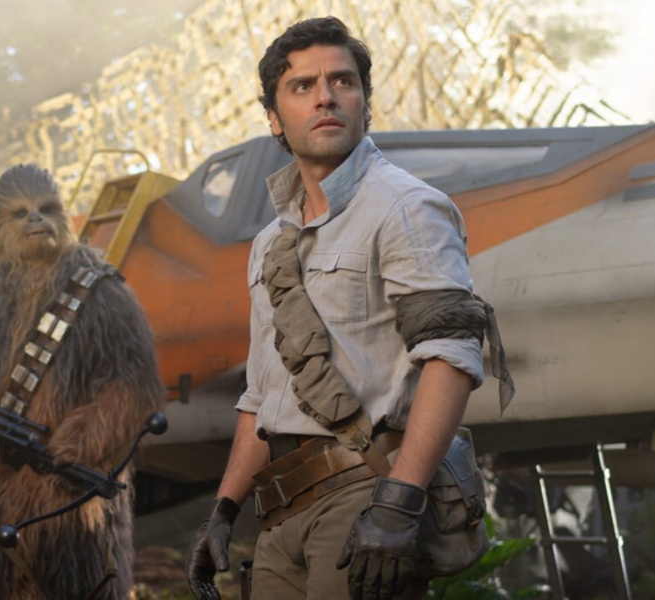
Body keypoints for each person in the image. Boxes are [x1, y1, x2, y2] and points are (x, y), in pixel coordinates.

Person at [186, 16, 490, 600]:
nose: (325, 95)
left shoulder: (406, 208)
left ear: (365, 104)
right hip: (280, 516)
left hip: (364, 497)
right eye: (302, 86)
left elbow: (451, 358)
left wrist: (399, 502)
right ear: (275, 120)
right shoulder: (269, 245)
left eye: (342, 81)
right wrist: (223, 510)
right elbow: (263, 397)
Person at [0, 164, 165, 600]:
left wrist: (78, 446)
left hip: (73, 496)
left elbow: (133, 387)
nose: (35, 220)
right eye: (20, 213)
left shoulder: (103, 292)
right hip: (3, 491)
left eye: (46, 209)